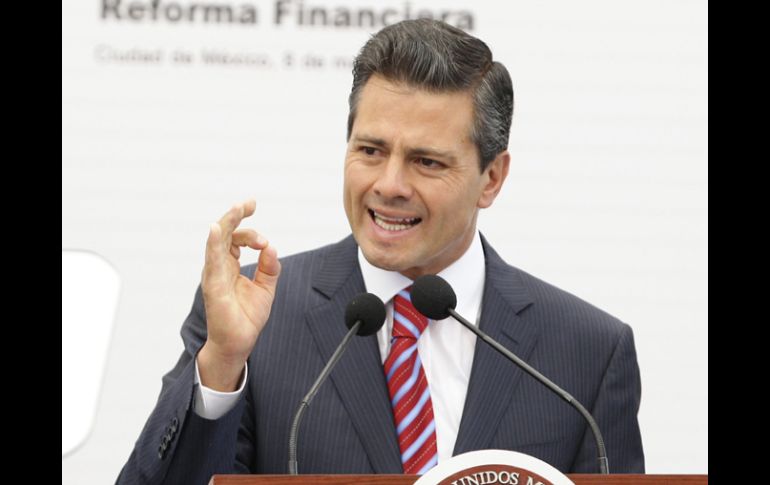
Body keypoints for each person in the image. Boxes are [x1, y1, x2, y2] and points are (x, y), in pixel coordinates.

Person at [117, 19, 644, 484]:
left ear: (492, 178)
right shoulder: (259, 320)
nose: (390, 185)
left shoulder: (587, 353)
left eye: (427, 162)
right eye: (370, 151)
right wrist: (223, 363)